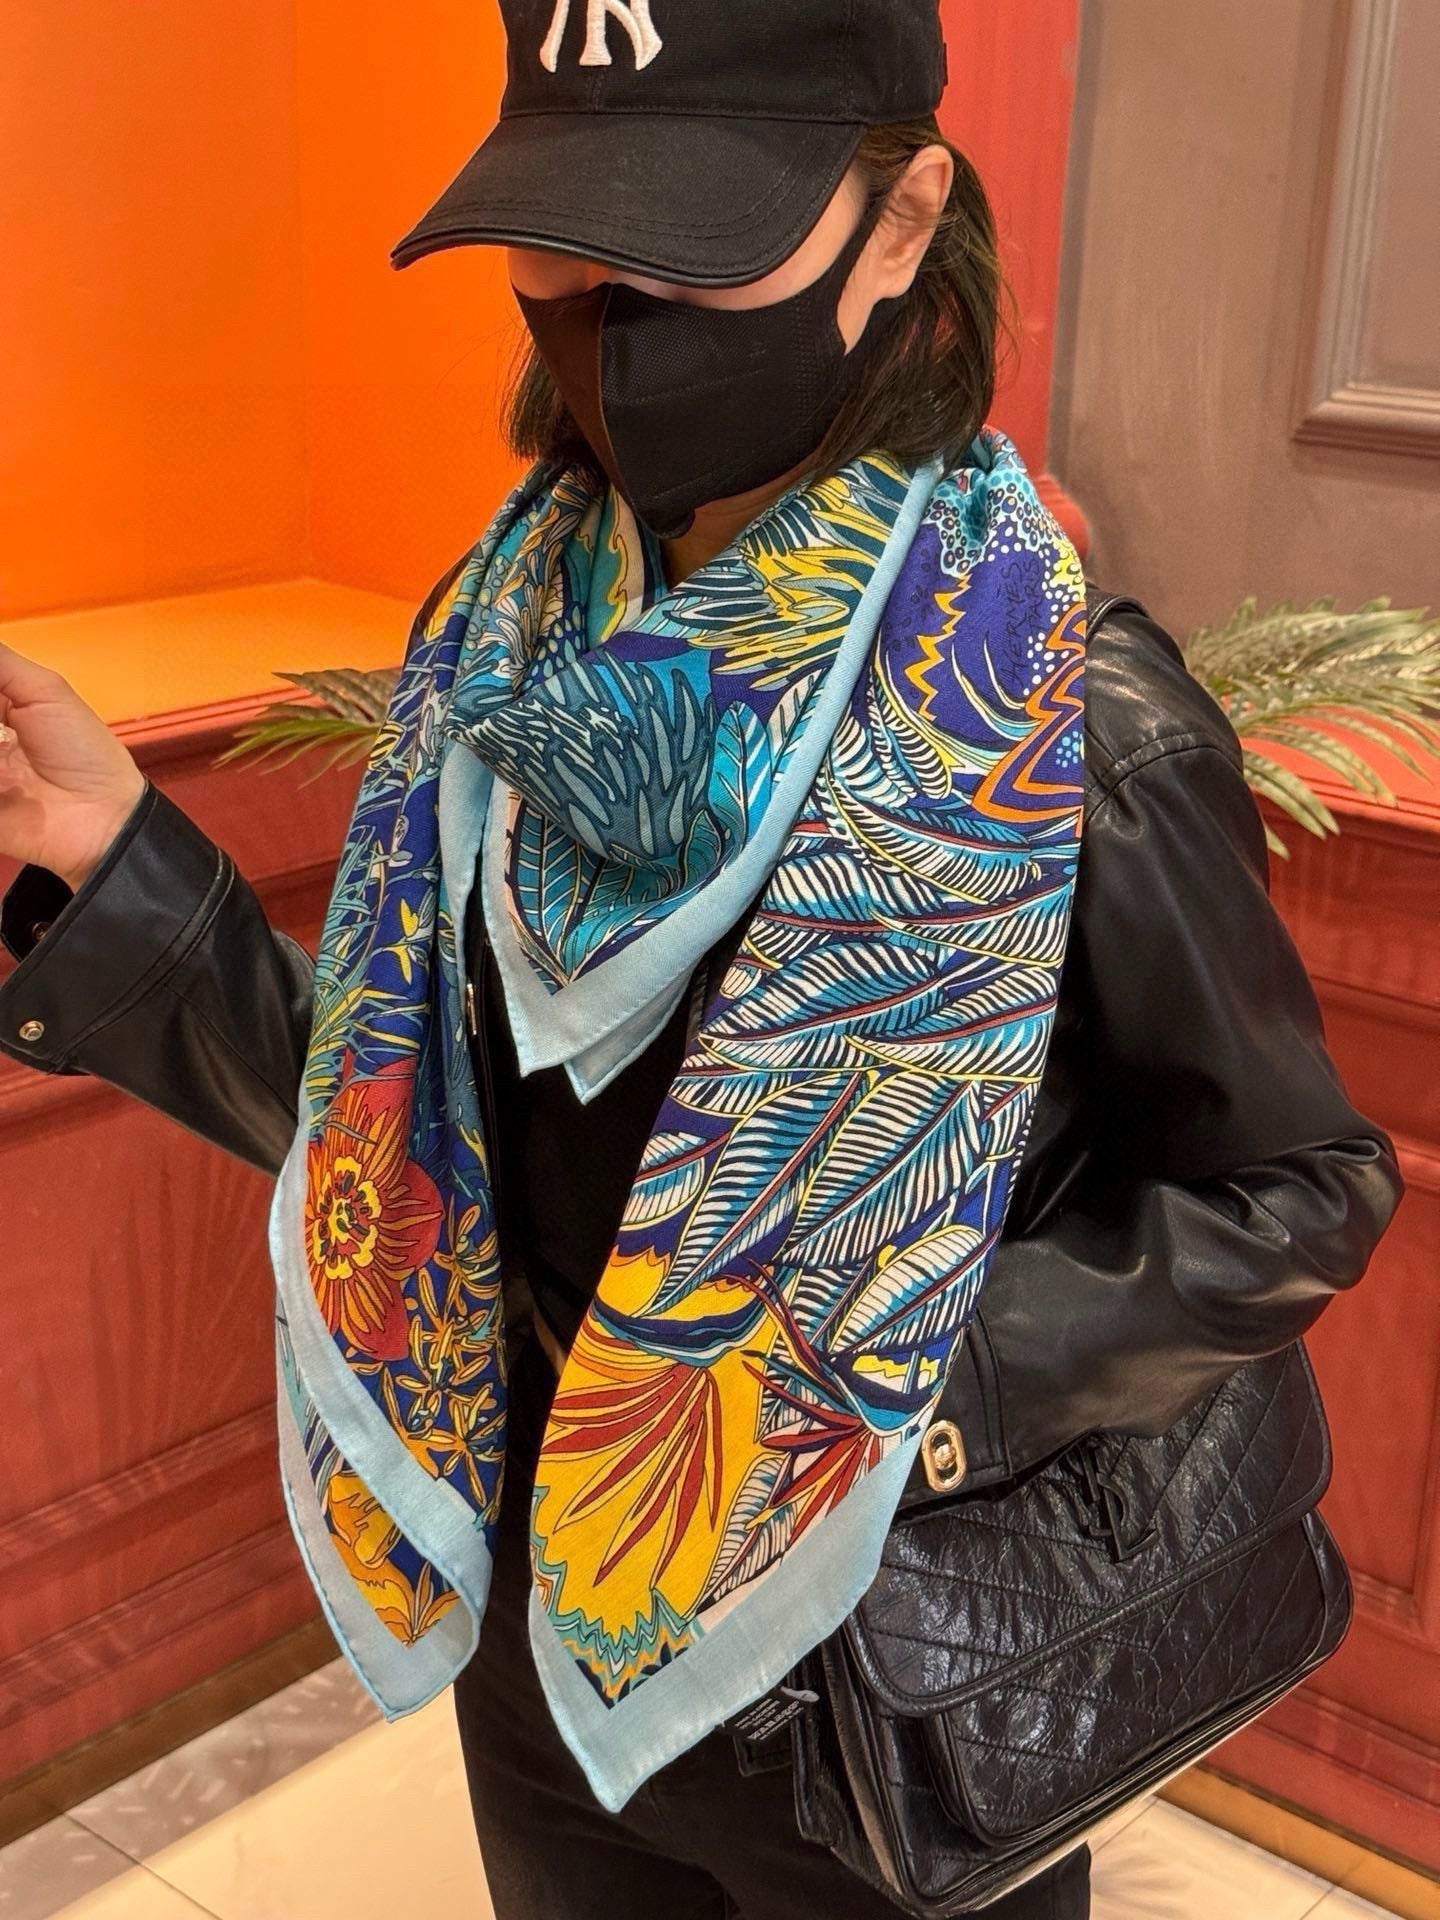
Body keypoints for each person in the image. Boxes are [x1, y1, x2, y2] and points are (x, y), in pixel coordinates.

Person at [0, 2, 1403, 1916]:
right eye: (564, 243)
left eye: (691, 239)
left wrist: (892, 1392)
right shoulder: (504, 663)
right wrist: (116, 871)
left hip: (899, 1679)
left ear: (903, 221)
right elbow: (409, 1152)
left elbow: (1297, 1188)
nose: (616, 315)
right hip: (548, 1662)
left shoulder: (1065, 727)